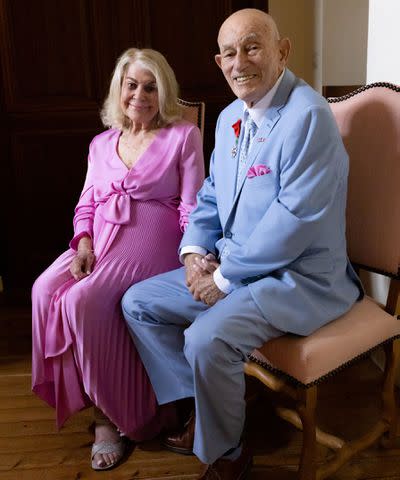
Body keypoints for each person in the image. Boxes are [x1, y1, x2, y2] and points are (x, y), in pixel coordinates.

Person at [122, 9, 363, 480]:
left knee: (205, 339)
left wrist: (223, 277)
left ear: (282, 51)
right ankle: (206, 407)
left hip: (298, 277)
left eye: (252, 47)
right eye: (229, 53)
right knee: (138, 303)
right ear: (218, 60)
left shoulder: (308, 116)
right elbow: (210, 195)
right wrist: (193, 254)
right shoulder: (232, 115)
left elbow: (295, 221)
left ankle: (228, 454)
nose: (239, 62)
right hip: (231, 267)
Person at [31, 47, 204, 471]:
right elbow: (86, 204)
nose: (139, 95)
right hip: (100, 238)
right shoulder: (101, 143)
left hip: (155, 235)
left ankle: (111, 418)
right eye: (132, 85)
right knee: (43, 290)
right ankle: (100, 397)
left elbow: (194, 205)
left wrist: (194, 254)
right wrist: (84, 243)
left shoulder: (183, 135)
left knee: (80, 301)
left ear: (163, 92)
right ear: (119, 90)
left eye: (150, 87)